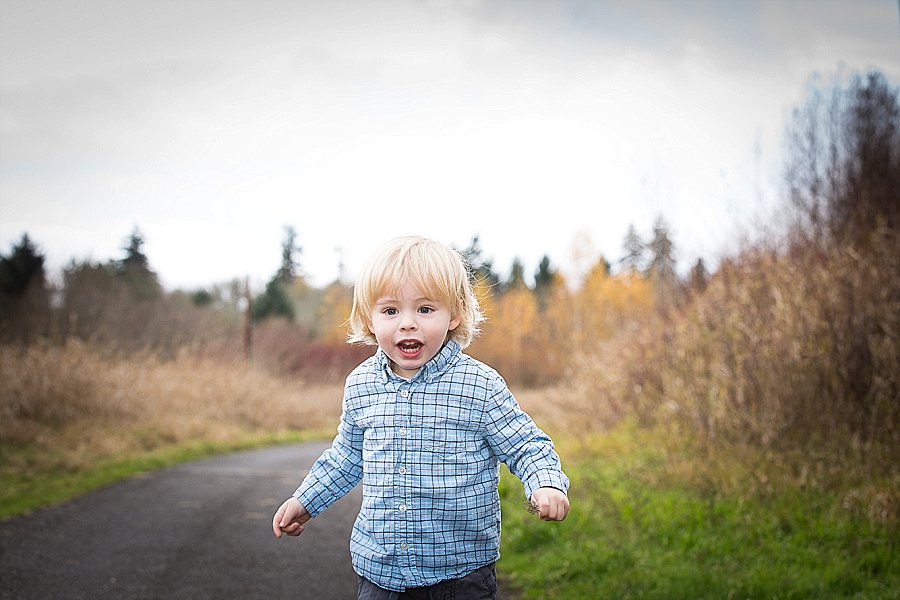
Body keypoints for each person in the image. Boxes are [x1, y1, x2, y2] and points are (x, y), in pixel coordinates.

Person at [272, 235, 569, 599]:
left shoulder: (479, 385)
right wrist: (306, 500)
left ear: (454, 314)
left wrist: (546, 482)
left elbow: (525, 445)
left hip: (460, 575)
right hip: (379, 571)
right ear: (369, 317)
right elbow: (346, 457)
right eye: (391, 311)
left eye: (425, 310)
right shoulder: (361, 385)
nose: (408, 324)